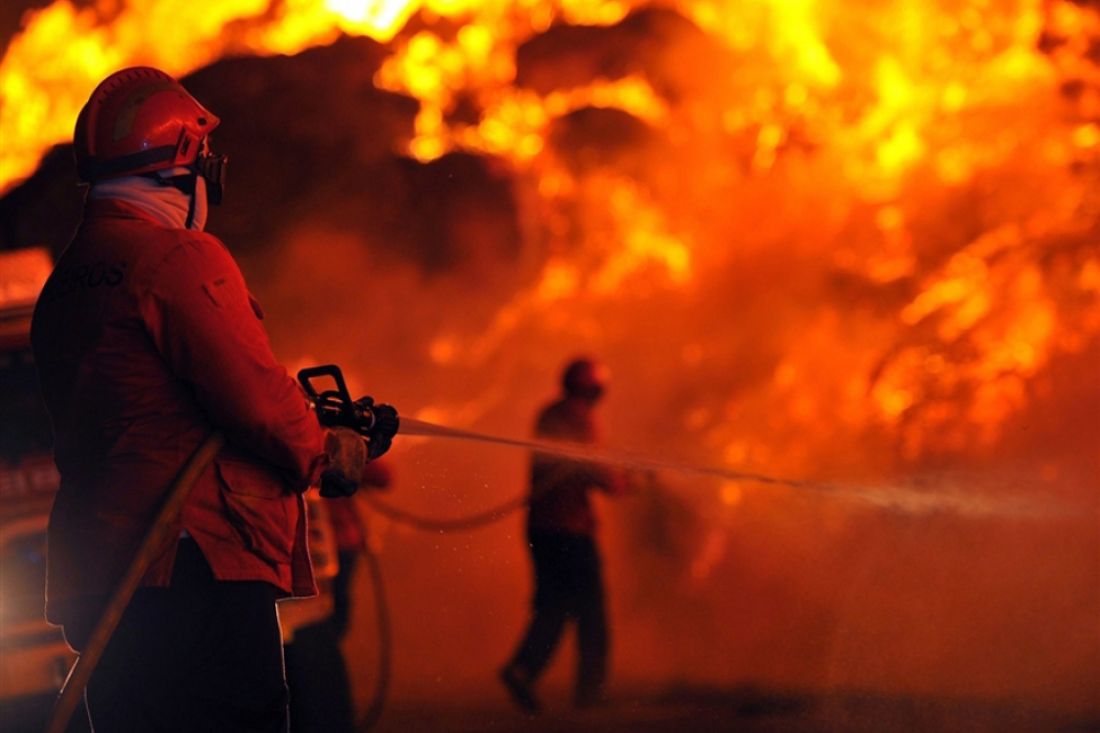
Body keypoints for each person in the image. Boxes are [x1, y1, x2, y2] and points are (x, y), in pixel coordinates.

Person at [30, 67, 376, 732]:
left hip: (104, 572)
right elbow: (252, 396)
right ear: (182, 167)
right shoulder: (178, 258)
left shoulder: (65, 286)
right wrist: (325, 449)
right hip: (194, 564)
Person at [500, 357, 626, 713]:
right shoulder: (577, 417)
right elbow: (594, 470)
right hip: (571, 530)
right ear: (594, 388)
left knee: (553, 606)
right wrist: (622, 481)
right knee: (592, 615)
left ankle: (522, 669)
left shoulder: (550, 413)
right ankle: (590, 696)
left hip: (542, 528)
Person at [284, 460, 392, 733]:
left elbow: (382, 475)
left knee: (316, 641)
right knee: (315, 643)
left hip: (325, 548)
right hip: (312, 550)